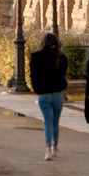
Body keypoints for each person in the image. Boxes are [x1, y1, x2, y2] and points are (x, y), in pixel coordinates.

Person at [29, 32, 69, 161]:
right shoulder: (61, 58)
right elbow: (63, 74)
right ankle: (54, 146)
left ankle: (47, 149)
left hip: (43, 93)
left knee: (47, 122)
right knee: (55, 122)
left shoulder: (36, 57)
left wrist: (36, 88)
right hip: (57, 93)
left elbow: (33, 75)